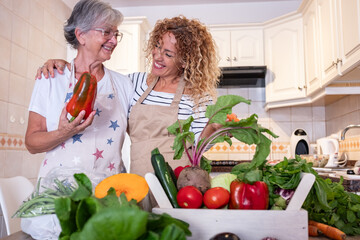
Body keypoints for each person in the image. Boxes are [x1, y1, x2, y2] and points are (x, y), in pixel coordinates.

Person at [36, 15, 221, 177]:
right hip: (139, 180)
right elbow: (102, 80)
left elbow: (199, 146)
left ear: (185, 61)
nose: (157, 56)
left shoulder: (199, 97)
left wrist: (215, 127)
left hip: (179, 185)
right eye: (157, 46)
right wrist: (65, 65)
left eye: (168, 54)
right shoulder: (135, 83)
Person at [26, 0, 133, 182]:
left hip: (109, 194)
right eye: (106, 32)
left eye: (116, 34)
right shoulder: (51, 78)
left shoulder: (124, 84)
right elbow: (31, 143)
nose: (114, 40)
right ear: (81, 35)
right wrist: (64, 133)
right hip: (58, 194)